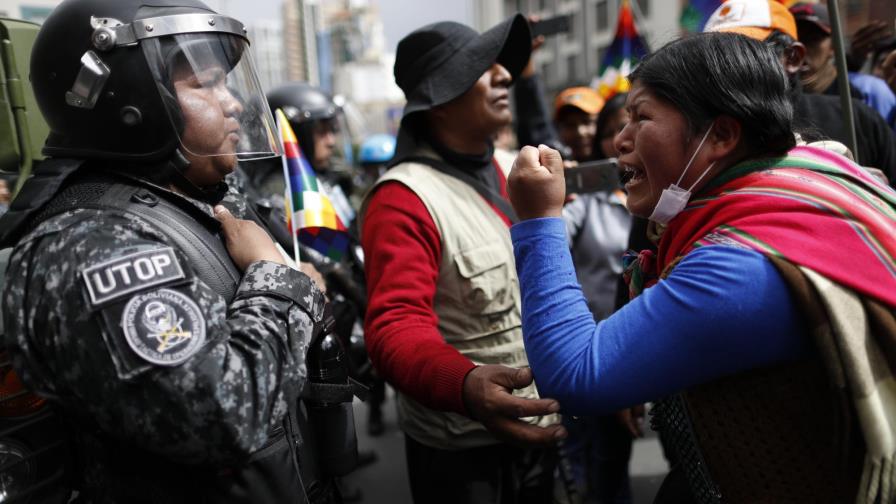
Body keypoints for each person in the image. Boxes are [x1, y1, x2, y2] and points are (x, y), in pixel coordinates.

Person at [507, 31, 896, 503]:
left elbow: (575, 375)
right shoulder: (809, 184)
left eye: (641, 117)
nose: (620, 140)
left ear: (722, 136)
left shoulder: (740, 265)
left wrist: (539, 220)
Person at [0, 0, 344, 501]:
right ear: (128, 100)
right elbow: (223, 417)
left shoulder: (193, 199)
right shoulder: (92, 244)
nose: (232, 103)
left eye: (226, 83)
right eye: (205, 83)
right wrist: (278, 283)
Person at [360, 14, 565, 504]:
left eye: (502, 66)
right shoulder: (403, 197)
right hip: (463, 456)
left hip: (541, 432)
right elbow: (394, 325)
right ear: (439, 101)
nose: (504, 75)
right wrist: (464, 384)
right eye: (480, 67)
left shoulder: (515, 170)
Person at [703, 0, 896, 183]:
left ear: (793, 57)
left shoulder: (859, 119)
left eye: (746, 53)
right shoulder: (704, 131)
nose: (729, 67)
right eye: (716, 57)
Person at [789, 2, 896, 128]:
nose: (801, 48)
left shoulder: (869, 92)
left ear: (834, 46)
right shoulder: (775, 98)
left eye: (812, 39)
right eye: (793, 38)